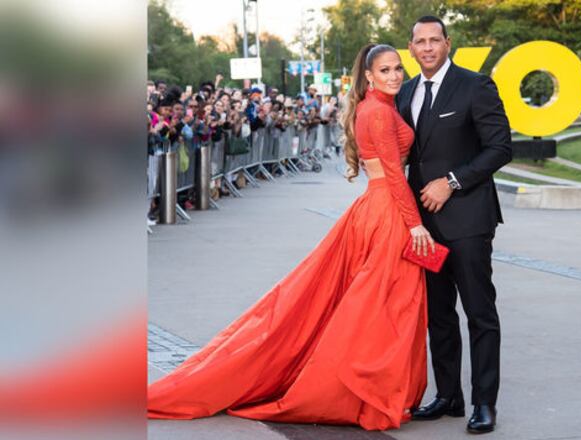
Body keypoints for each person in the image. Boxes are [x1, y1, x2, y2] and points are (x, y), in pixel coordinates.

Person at [147, 44, 436, 431]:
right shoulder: (379, 112)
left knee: (375, 303)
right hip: (387, 212)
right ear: (368, 76)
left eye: (398, 68)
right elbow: (394, 175)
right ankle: (357, 391)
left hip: (375, 208)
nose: (394, 75)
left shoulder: (377, 107)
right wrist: (414, 223)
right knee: (382, 306)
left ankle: (369, 389)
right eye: (385, 70)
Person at [395, 15, 512, 434]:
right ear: (410, 48)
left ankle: (484, 403)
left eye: (434, 40)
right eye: (420, 42)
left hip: (468, 218)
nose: (427, 48)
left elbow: (501, 147)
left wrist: (452, 182)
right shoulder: (404, 91)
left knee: (480, 313)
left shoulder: (475, 85)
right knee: (438, 315)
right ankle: (449, 396)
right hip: (422, 226)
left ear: (448, 43)